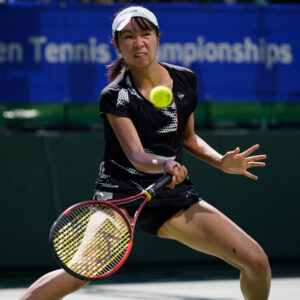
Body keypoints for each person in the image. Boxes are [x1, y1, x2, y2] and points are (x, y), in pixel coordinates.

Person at [19, 5, 271, 300]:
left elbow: (188, 137)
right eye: (128, 36)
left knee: (256, 261)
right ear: (116, 45)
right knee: (81, 272)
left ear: (157, 37)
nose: (138, 42)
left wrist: (220, 161)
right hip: (120, 195)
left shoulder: (185, 80)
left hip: (171, 196)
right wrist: (166, 164)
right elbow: (136, 154)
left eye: (145, 33)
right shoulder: (115, 96)